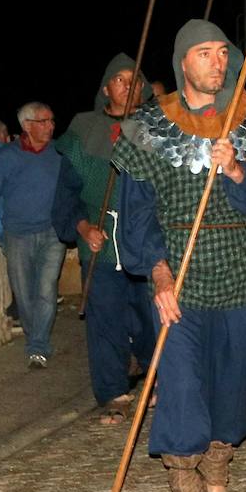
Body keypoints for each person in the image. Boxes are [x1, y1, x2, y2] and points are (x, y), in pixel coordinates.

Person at [111, 19, 246, 492]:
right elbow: (138, 212)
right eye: (205, 53)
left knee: (230, 380)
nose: (218, 62)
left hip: (236, 268)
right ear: (182, 63)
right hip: (179, 273)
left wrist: (239, 172)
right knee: (183, 385)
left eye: (223, 52)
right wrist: (159, 272)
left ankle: (218, 474)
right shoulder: (148, 125)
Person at [52, 54, 157, 422]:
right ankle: (114, 392)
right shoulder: (83, 131)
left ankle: (156, 379)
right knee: (106, 320)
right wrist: (83, 228)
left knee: (151, 315)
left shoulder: (158, 129)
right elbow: (66, 195)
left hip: (146, 240)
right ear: (105, 88)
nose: (129, 86)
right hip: (100, 239)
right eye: (121, 80)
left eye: (136, 80)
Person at [0, 102, 66, 369]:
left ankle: (38, 346)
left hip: (53, 232)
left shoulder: (60, 153)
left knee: (46, 289)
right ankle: (35, 337)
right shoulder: (7, 156)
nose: (51, 126)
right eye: (44, 121)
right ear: (27, 126)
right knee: (24, 292)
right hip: (18, 233)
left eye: (52, 120)